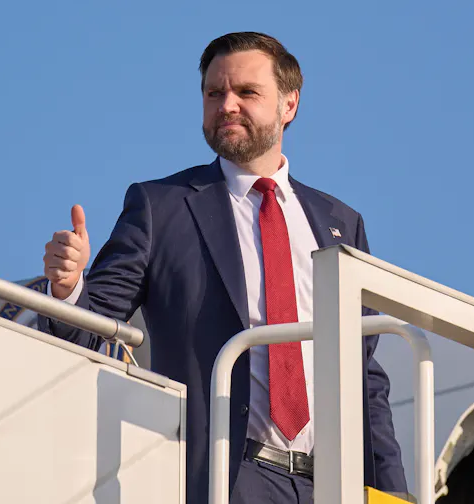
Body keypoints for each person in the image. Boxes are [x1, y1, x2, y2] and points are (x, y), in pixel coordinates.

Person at [39, 32, 407, 504]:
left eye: (247, 92)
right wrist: (69, 288)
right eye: (215, 93)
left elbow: (365, 377)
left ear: (289, 105)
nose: (227, 105)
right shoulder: (160, 207)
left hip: (335, 486)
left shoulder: (341, 223)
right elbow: (91, 329)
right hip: (226, 479)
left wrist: (393, 495)